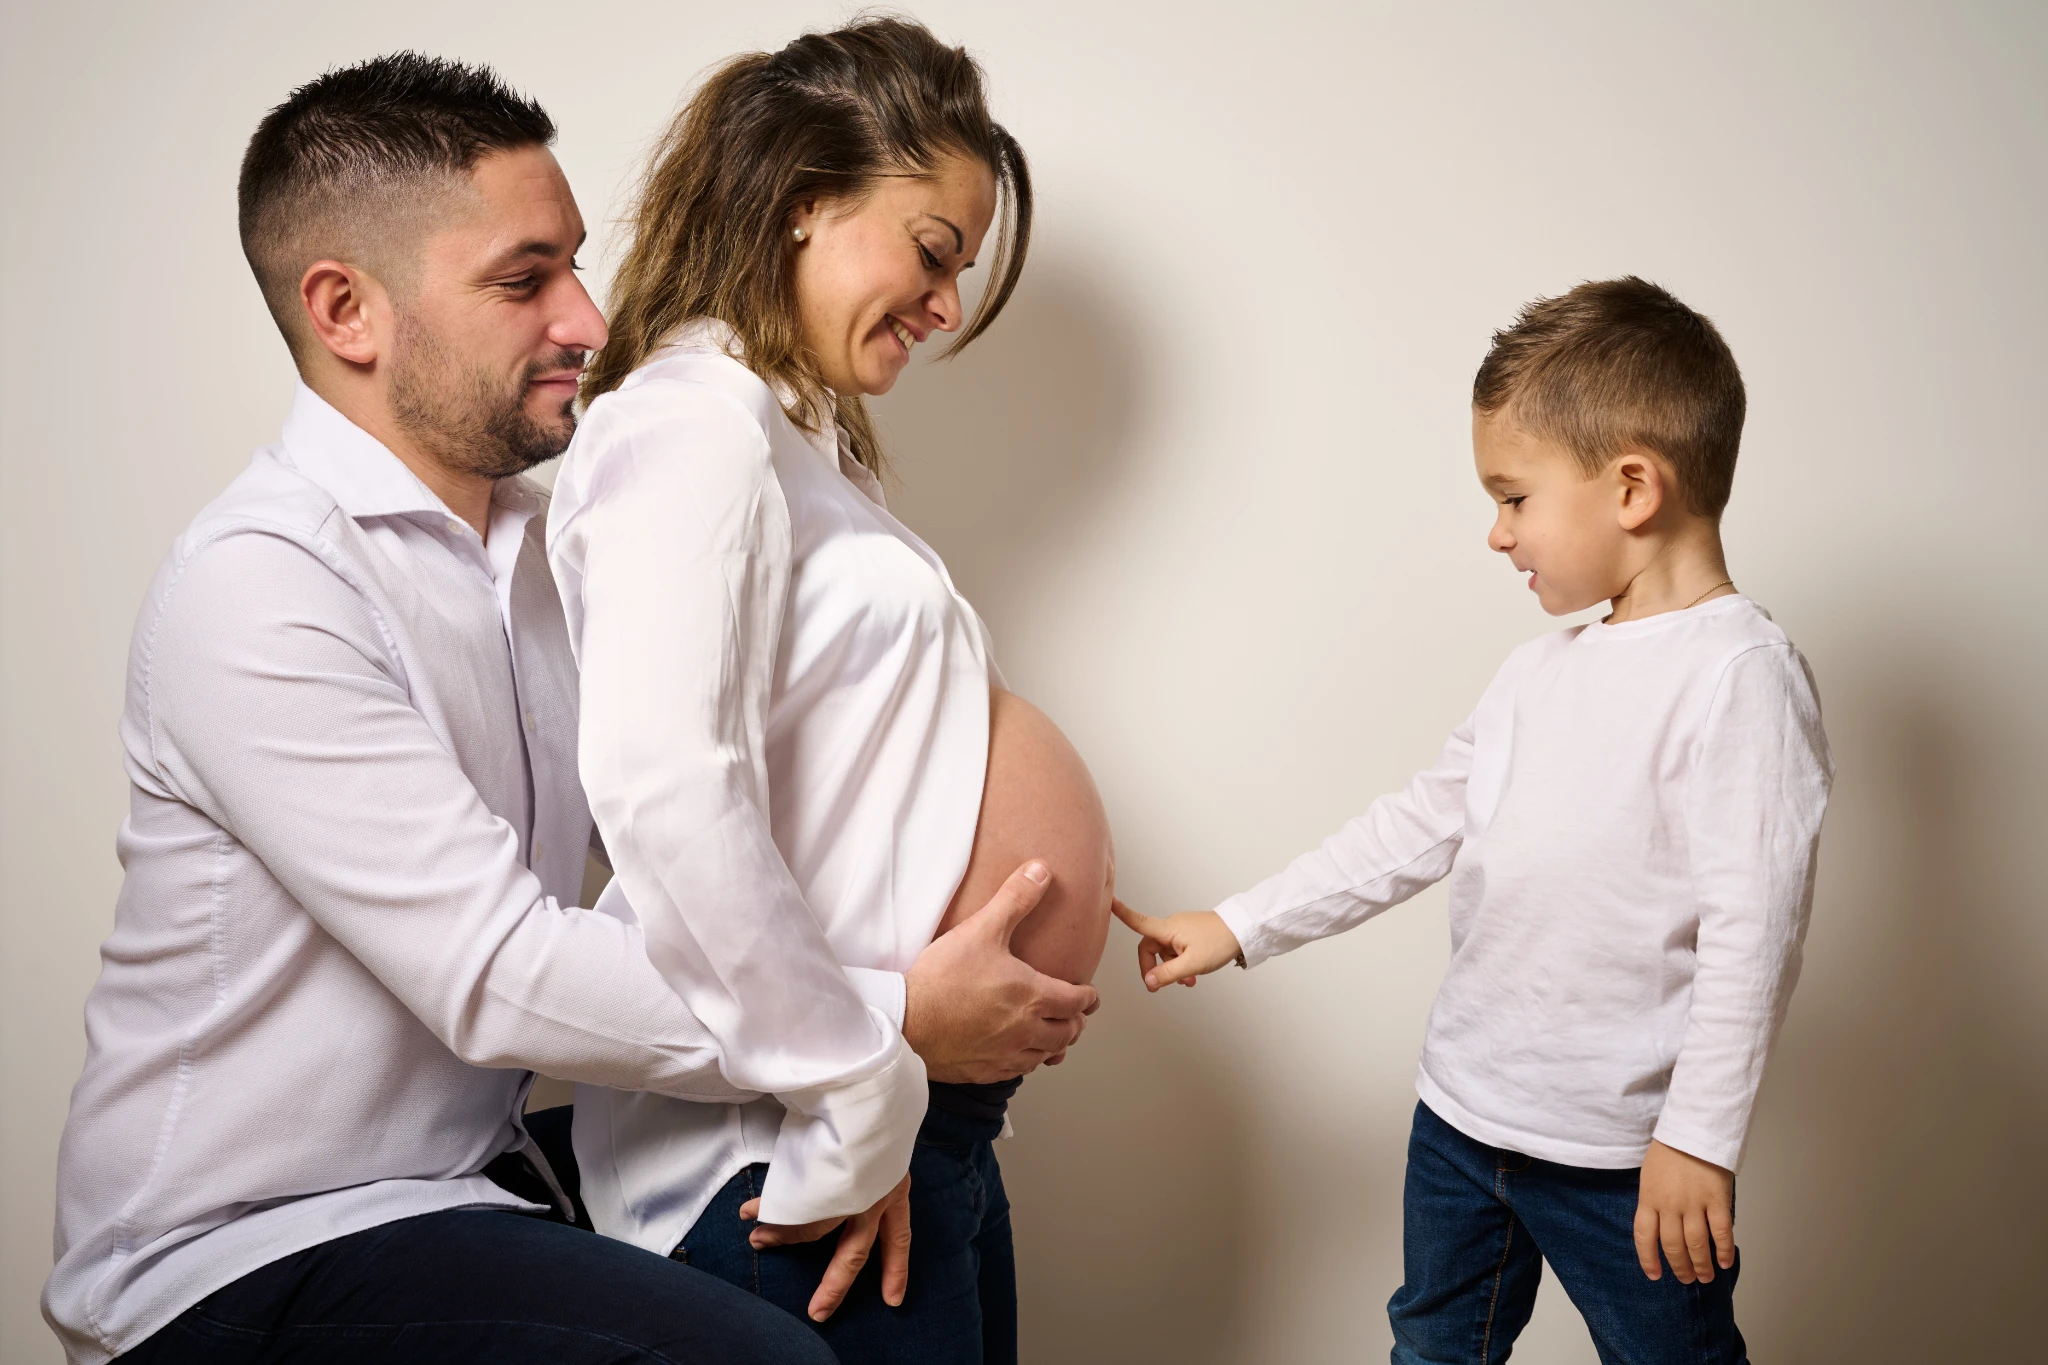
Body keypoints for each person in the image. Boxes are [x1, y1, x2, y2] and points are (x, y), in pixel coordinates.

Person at [45, 52, 1088, 1365]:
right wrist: (877, 1027)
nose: (591, 320)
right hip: (253, 1242)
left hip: (473, 1173)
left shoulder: (543, 546)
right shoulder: (258, 590)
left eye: (576, 268)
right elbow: (502, 973)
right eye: (525, 279)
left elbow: (698, 822)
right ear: (346, 311)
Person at [1116, 278, 1833, 1363]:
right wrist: (1241, 923)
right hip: (1458, 1120)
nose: (1496, 534)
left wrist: (1695, 1139)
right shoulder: (1534, 675)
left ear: (1631, 486)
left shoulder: (1737, 678)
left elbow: (1753, 932)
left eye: (1512, 497)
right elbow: (1413, 827)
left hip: (1616, 1157)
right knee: (1434, 1348)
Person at [548, 17, 1116, 1364]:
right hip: (790, 1148)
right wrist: (860, 1089)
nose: (947, 305)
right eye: (932, 251)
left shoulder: (793, 445)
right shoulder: (695, 423)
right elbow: (664, 786)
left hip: (907, 1119)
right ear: (807, 198)